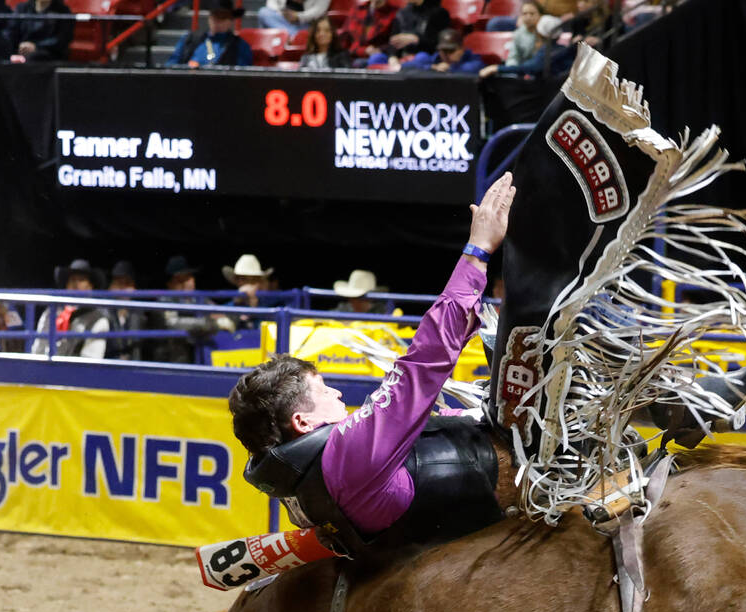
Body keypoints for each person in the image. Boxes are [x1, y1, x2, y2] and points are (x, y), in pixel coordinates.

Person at [230, 173, 517, 554]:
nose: (335, 392)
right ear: (302, 422)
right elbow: (422, 365)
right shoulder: (348, 454)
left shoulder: (293, 486)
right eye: (322, 390)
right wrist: (478, 249)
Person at [32, 259, 108, 357]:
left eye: (81, 280)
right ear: (66, 285)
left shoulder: (98, 319)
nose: (76, 284)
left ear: (90, 287)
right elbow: (38, 348)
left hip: (76, 370)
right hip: (48, 368)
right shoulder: (51, 312)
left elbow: (91, 360)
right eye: (72, 279)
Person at [165, 0, 253, 67]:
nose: (218, 21)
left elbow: (242, 73)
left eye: (223, 17)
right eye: (215, 16)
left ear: (230, 20)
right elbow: (171, 65)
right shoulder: (190, 39)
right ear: (209, 18)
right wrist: (187, 68)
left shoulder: (240, 45)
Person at [479, 14, 568, 78]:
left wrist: (497, 68)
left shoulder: (547, 52)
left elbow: (527, 68)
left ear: (541, 34)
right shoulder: (562, 49)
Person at [3, 0, 73, 61]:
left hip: (49, 53)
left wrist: (36, 46)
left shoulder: (63, 11)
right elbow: (10, 32)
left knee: (32, 58)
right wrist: (18, 46)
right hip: (21, 50)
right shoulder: (22, 8)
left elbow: (61, 40)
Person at [381, 0, 449, 59]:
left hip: (426, 56)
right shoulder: (402, 13)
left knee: (421, 58)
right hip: (403, 56)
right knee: (376, 58)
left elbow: (440, 43)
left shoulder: (439, 13)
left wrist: (416, 39)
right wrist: (392, 57)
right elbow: (393, 40)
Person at [400, 26, 482, 73]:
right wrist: (432, 67)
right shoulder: (435, 59)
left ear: (462, 49)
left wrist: (450, 68)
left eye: (451, 50)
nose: (447, 55)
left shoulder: (472, 59)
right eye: (443, 50)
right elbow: (405, 67)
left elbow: (476, 68)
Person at [257, 0, 329, 37]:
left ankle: (289, 36)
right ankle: (291, 36)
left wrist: (298, 16)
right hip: (282, 20)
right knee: (263, 12)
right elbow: (271, 4)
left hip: (306, 23)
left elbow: (318, 11)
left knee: (319, 24)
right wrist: (283, 14)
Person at [503, 0, 543, 65]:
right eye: (524, 14)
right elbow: (513, 57)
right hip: (523, 69)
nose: (528, 17)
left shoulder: (545, 33)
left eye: (532, 14)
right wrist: (511, 69)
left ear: (540, 15)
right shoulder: (518, 34)